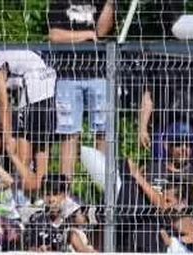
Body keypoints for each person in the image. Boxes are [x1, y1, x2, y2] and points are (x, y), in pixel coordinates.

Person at [47, 0, 114, 181]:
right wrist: (87, 34)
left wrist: (110, 3)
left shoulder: (102, 3)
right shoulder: (59, 2)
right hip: (68, 74)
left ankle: (103, 190)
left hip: (99, 74)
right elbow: (54, 35)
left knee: (103, 131)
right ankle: (65, 192)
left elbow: (102, 32)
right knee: (69, 134)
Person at [0, 50, 55, 197]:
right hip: (48, 90)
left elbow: (3, 103)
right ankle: (39, 197)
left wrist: (7, 138)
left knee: (21, 159)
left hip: (34, 91)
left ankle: (22, 201)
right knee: (41, 154)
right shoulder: (12, 59)